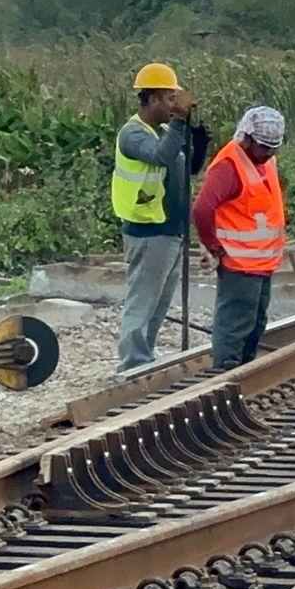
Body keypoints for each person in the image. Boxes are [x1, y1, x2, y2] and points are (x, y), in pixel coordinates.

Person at [113, 62, 210, 377]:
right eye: (169, 99)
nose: (174, 105)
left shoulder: (163, 130)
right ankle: (133, 362)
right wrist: (181, 124)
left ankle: (146, 356)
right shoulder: (133, 134)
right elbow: (160, 156)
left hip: (170, 228)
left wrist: (197, 144)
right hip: (148, 227)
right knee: (144, 297)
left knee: (160, 299)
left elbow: (184, 168)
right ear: (151, 99)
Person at [193, 107, 287, 370]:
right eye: (262, 148)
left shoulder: (265, 161)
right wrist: (213, 247)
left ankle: (245, 371)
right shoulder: (229, 166)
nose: (267, 154)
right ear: (246, 138)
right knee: (234, 324)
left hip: (262, 263)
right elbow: (201, 209)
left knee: (255, 323)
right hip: (239, 264)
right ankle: (226, 373)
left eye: (272, 148)